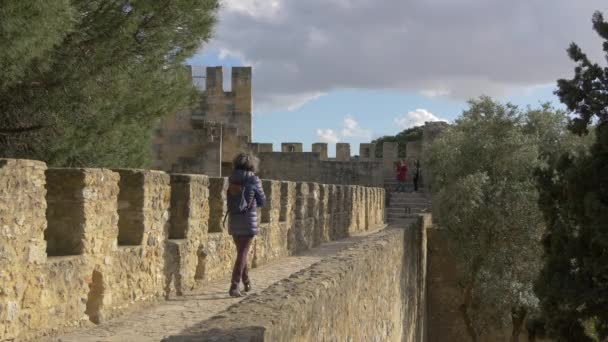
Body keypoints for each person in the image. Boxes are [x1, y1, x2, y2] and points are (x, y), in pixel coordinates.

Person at [226, 152, 266, 297]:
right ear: (252, 165)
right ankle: (234, 286)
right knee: (242, 254)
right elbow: (262, 201)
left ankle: (247, 282)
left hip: (234, 221)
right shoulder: (254, 179)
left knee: (241, 253)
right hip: (248, 221)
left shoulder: (231, 179)